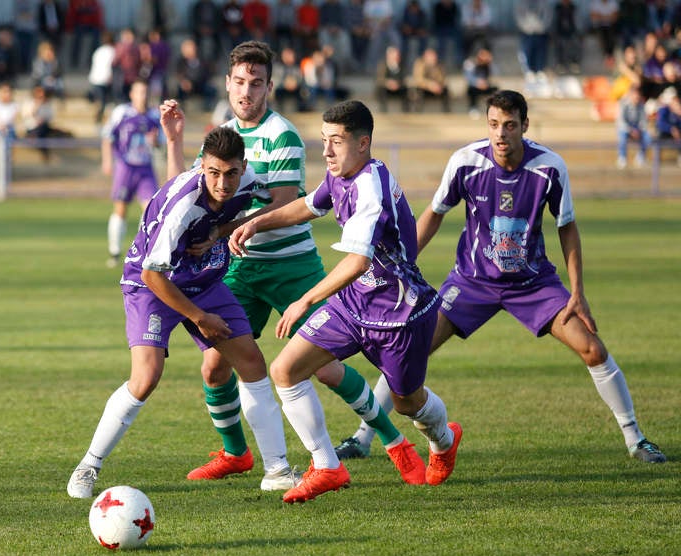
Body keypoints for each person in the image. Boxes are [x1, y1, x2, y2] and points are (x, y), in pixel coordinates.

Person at [333, 90, 666, 466]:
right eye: (494, 125)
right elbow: (435, 212)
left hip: (533, 283)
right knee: (411, 351)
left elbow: (567, 226)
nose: (501, 134)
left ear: (525, 125)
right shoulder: (466, 162)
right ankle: (363, 439)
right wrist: (405, 264)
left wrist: (578, 292)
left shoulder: (549, 167)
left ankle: (636, 439)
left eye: (509, 125)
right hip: (471, 282)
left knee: (592, 348)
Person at [161, 41, 423, 492]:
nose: (246, 91)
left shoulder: (281, 133)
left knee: (322, 365)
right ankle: (235, 453)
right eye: (240, 82)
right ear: (227, 84)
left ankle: (394, 441)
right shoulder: (223, 132)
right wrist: (172, 139)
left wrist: (225, 231)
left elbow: (286, 200)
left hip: (292, 265)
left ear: (269, 87)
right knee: (214, 367)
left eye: (256, 83)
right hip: (241, 269)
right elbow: (187, 189)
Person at [228, 100, 463, 502]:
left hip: (399, 314)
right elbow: (307, 206)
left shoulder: (371, 185)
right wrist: (256, 222)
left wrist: (304, 300)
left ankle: (443, 440)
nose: (327, 151)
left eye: (336, 141)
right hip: (353, 306)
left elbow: (357, 261)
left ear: (363, 143)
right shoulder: (340, 175)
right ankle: (327, 467)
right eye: (323, 140)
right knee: (286, 370)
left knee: (408, 403)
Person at [67, 127, 268, 498]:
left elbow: (279, 203)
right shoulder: (183, 206)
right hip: (152, 285)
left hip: (203, 280)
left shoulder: (250, 181)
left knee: (251, 361)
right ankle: (88, 466)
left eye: (230, 174)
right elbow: (151, 273)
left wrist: (225, 229)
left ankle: (278, 470)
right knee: (146, 377)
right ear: (202, 167)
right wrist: (199, 317)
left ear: (243, 167)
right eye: (213, 173)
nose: (223, 183)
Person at [101, 79, 161, 267]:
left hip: (145, 168)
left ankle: (141, 252)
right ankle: (114, 252)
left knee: (150, 211)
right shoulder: (122, 112)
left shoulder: (153, 115)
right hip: (126, 167)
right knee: (120, 209)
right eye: (139, 92)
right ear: (132, 94)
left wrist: (155, 142)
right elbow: (107, 136)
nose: (142, 96)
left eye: (145, 92)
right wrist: (108, 160)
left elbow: (160, 142)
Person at [22, 84, 72, 160]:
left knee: (44, 128)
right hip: (32, 129)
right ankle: (44, 152)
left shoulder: (47, 105)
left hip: (44, 128)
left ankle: (38, 142)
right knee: (41, 131)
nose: (41, 95)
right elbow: (27, 116)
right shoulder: (28, 103)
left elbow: (49, 118)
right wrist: (37, 106)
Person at [174, 38, 218, 112]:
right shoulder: (181, 61)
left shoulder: (202, 59)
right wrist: (184, 81)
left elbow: (208, 73)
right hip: (188, 85)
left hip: (201, 83)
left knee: (211, 89)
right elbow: (179, 73)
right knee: (180, 88)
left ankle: (208, 107)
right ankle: (182, 107)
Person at [616, 84, 651, 169]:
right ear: (630, 94)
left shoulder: (641, 105)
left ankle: (641, 157)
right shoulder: (622, 104)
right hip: (625, 128)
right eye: (635, 95)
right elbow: (621, 121)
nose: (637, 97)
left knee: (647, 137)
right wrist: (631, 130)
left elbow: (643, 121)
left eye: (638, 95)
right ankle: (622, 157)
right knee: (622, 136)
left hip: (637, 128)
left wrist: (639, 130)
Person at [409, 47, 451, 113]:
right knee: (419, 91)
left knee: (445, 90)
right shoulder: (419, 64)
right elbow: (418, 79)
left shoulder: (439, 65)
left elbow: (442, 79)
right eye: (431, 56)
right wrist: (430, 85)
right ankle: (417, 112)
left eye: (434, 56)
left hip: (436, 88)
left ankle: (447, 112)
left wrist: (437, 85)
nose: (434, 58)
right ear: (425, 57)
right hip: (424, 88)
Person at [66, 0, 104, 69]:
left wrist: (100, 25)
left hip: (92, 25)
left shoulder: (93, 2)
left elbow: (97, 13)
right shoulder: (75, 2)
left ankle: (94, 58)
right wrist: (69, 27)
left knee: (96, 40)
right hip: (80, 25)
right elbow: (72, 14)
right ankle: (74, 59)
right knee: (77, 40)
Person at [87, 30, 115, 123]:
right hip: (104, 79)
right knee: (103, 101)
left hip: (95, 78)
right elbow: (110, 66)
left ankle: (99, 116)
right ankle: (99, 118)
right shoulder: (112, 51)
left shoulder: (98, 51)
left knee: (100, 100)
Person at [463, 46, 498, 116]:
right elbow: (468, 77)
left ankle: (495, 109)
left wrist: (490, 63)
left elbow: (496, 74)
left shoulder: (489, 64)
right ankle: (473, 109)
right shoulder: (470, 62)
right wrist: (477, 83)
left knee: (496, 90)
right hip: (474, 86)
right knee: (471, 90)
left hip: (486, 85)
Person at [374, 45, 410, 112]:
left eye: (397, 55)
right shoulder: (382, 65)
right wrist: (388, 83)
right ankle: (383, 109)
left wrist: (397, 83)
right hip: (386, 88)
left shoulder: (402, 65)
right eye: (394, 55)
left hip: (398, 87)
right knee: (380, 88)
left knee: (406, 88)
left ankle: (406, 109)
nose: (396, 57)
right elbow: (379, 78)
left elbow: (405, 77)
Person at [553, 0, 582, 75]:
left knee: (576, 41)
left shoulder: (574, 8)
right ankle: (560, 64)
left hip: (572, 31)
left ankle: (574, 63)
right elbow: (553, 21)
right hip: (560, 32)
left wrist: (579, 31)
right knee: (559, 42)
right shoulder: (557, 8)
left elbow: (578, 21)